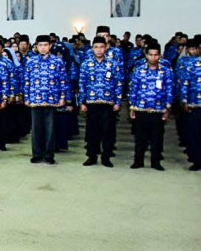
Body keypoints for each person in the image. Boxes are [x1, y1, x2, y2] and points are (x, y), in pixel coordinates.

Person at [79, 36, 123, 167]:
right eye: (96, 47)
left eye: (101, 47)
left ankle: (106, 157)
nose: (99, 50)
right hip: (91, 103)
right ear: (92, 48)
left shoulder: (113, 64)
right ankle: (91, 156)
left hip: (108, 103)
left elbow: (119, 83)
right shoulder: (86, 64)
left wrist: (118, 101)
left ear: (106, 48)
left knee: (107, 131)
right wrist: (82, 102)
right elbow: (82, 83)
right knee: (92, 131)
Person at [129, 42, 173, 171]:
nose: (153, 58)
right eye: (150, 55)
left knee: (157, 138)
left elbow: (170, 90)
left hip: (158, 110)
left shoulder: (166, 71)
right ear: (146, 55)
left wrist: (168, 108)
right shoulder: (139, 70)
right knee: (140, 138)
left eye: (156, 55)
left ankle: (156, 162)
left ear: (160, 55)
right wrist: (132, 107)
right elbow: (133, 89)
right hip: (141, 109)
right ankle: (138, 161)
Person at [24, 35, 67, 164]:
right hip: (35, 99)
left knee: (50, 129)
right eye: (40, 45)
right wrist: (26, 97)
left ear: (50, 46)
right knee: (36, 129)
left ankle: (49, 154)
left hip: (51, 99)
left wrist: (63, 97)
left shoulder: (57, 61)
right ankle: (37, 154)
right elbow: (27, 81)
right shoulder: (31, 61)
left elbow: (63, 81)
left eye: (45, 45)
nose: (43, 48)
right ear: (36, 47)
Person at [177, 38, 201, 171]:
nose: (194, 51)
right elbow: (184, 83)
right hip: (194, 104)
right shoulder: (188, 64)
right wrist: (184, 100)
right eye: (191, 49)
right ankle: (197, 160)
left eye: (196, 48)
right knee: (195, 133)